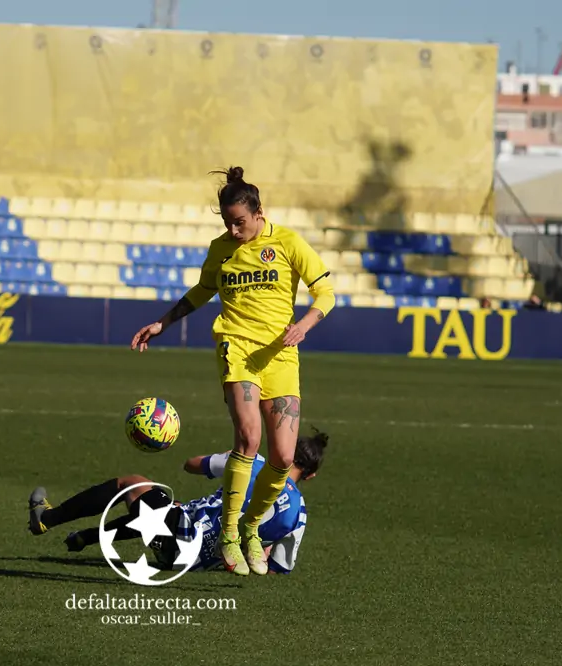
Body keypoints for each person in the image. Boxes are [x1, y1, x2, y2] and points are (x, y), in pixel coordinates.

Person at [129, 167, 335, 577]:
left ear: (259, 212)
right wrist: (162, 323)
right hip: (236, 348)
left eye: (239, 222)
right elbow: (202, 291)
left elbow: (325, 291)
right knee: (248, 437)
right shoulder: (220, 249)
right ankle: (228, 535)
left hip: (280, 354)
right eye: (228, 223)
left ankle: (251, 528)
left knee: (281, 456)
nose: (234, 230)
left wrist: (305, 324)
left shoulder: (288, 242)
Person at [27, 430, 328, 575]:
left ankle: (47, 519)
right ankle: (88, 537)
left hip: (181, 538)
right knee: (171, 507)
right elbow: (276, 568)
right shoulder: (299, 515)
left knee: (133, 484)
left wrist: (227, 459)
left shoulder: (253, 462)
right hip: (193, 561)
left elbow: (191, 465)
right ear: (310, 476)